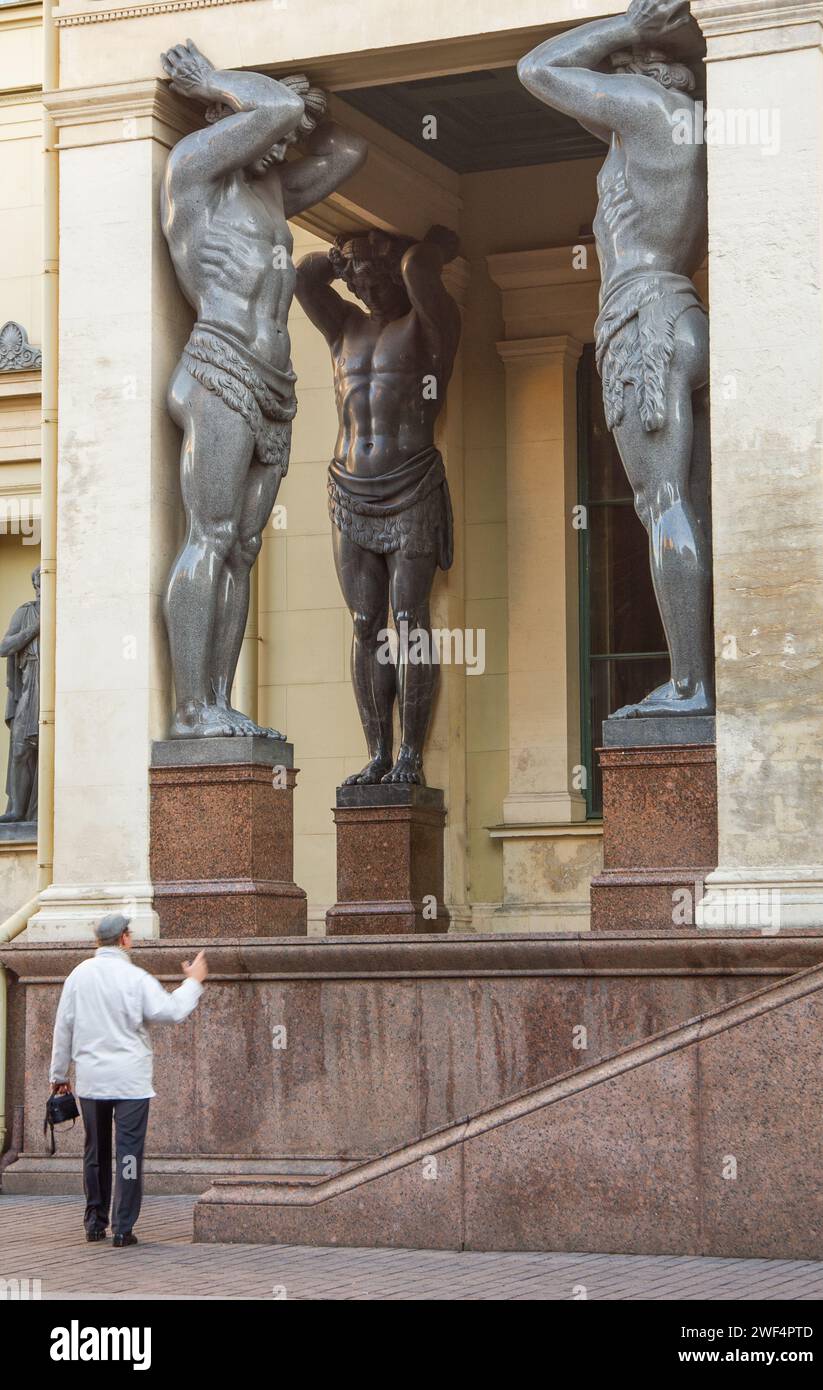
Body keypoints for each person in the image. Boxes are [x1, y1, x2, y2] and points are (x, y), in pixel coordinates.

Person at [159, 39, 366, 738]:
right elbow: (274, 105)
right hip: (220, 368)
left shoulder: (268, 190)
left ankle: (218, 700)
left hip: (273, 380)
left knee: (243, 547)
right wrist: (216, 79)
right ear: (225, 116)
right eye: (274, 137)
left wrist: (304, 111)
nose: (284, 147)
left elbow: (350, 152)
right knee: (211, 534)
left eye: (289, 140)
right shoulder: (194, 172)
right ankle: (190, 709)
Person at [519, 0, 714, 719]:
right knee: (687, 505)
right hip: (681, 312)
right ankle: (701, 678)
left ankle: (690, 686)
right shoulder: (674, 128)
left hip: (642, 320)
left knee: (658, 501)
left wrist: (630, 24)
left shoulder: (641, 107)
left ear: (642, 69)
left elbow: (538, 67)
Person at [295, 225, 461, 784]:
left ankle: (412, 755)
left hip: (410, 481)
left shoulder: (430, 327)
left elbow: (418, 268)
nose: (366, 290)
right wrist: (343, 259)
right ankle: (378, 754)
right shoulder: (344, 328)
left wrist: (427, 250)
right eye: (356, 279)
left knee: (409, 617)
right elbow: (302, 275)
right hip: (348, 487)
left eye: (375, 276)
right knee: (367, 622)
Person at [49, 912, 207, 1247]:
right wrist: (193, 981)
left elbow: (64, 1027)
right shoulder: (135, 977)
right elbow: (170, 1011)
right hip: (130, 1081)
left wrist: (59, 1075)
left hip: (92, 1079)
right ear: (125, 938)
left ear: (97, 941)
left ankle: (94, 1223)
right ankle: (123, 1227)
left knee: (95, 1151)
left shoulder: (79, 976)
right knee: (129, 1154)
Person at [0, 564, 40, 822]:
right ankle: (17, 809)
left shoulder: (68, 606)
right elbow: (5, 647)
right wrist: (33, 630)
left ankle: (40, 812)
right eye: (40, 583)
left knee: (50, 748)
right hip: (30, 681)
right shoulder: (25, 612)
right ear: (36, 585)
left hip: (57, 683)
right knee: (20, 749)